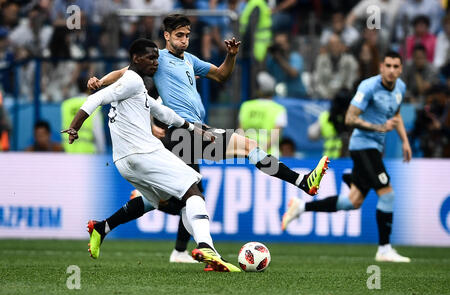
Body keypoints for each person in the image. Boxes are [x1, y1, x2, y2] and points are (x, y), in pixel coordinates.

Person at [87, 14, 329, 265]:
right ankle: (302, 182)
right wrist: (101, 81)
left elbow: (222, 75)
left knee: (177, 198)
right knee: (245, 148)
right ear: (167, 36)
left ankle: (108, 228)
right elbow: (124, 72)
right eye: (179, 35)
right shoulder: (157, 59)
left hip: (191, 131)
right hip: (183, 133)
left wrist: (231, 56)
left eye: (187, 35)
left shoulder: (190, 60)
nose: (184, 40)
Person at [62, 38, 240, 272]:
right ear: (136, 59)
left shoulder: (138, 89)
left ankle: (102, 227)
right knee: (193, 188)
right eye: (151, 58)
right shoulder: (132, 80)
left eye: (157, 57)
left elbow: (165, 113)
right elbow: (97, 98)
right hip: (143, 152)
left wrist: (195, 130)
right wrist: (75, 126)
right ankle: (206, 248)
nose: (156, 62)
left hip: (124, 161)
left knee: (158, 201)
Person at [282, 51, 412, 263]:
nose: (391, 70)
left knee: (353, 202)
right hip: (362, 147)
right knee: (387, 195)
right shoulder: (369, 87)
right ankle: (384, 249)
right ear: (381, 67)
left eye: (396, 66)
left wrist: (405, 141)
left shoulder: (400, 88)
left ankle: (301, 206)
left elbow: (395, 115)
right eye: (387, 65)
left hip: (376, 148)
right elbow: (351, 118)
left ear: (400, 69)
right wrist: (378, 127)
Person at [238, 71, 287, 156]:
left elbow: (240, 132)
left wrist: (249, 152)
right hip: (270, 156)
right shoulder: (279, 109)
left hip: (247, 154)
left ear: (259, 89)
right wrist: (260, 153)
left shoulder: (246, 106)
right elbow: (274, 136)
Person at [61, 76, 106, 154]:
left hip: (69, 153)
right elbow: (98, 133)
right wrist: (102, 152)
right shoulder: (94, 103)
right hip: (88, 154)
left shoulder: (66, 105)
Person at [266, 32, 308, 98]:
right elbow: (269, 74)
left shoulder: (295, 57)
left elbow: (293, 73)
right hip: (280, 95)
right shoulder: (272, 60)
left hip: (297, 96)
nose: (279, 48)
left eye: (281, 45)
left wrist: (279, 59)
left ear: (288, 45)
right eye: (277, 45)